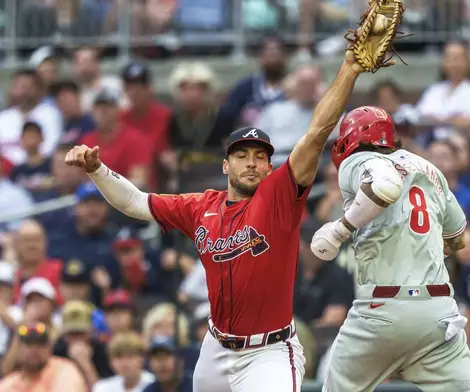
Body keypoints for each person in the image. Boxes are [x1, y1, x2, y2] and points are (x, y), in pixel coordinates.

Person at [64, 47, 367, 391]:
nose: (251, 162)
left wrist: (350, 68)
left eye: (259, 156)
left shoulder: (279, 197)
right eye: (241, 155)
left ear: (270, 167)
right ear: (226, 165)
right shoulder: (200, 207)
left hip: (267, 353)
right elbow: (135, 202)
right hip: (215, 347)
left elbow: (315, 133)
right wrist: (97, 170)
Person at [310, 106, 470, 392]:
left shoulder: (358, 158)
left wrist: (339, 230)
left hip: (381, 309)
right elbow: (459, 238)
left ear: (351, 138)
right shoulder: (428, 168)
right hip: (436, 311)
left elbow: (385, 185)